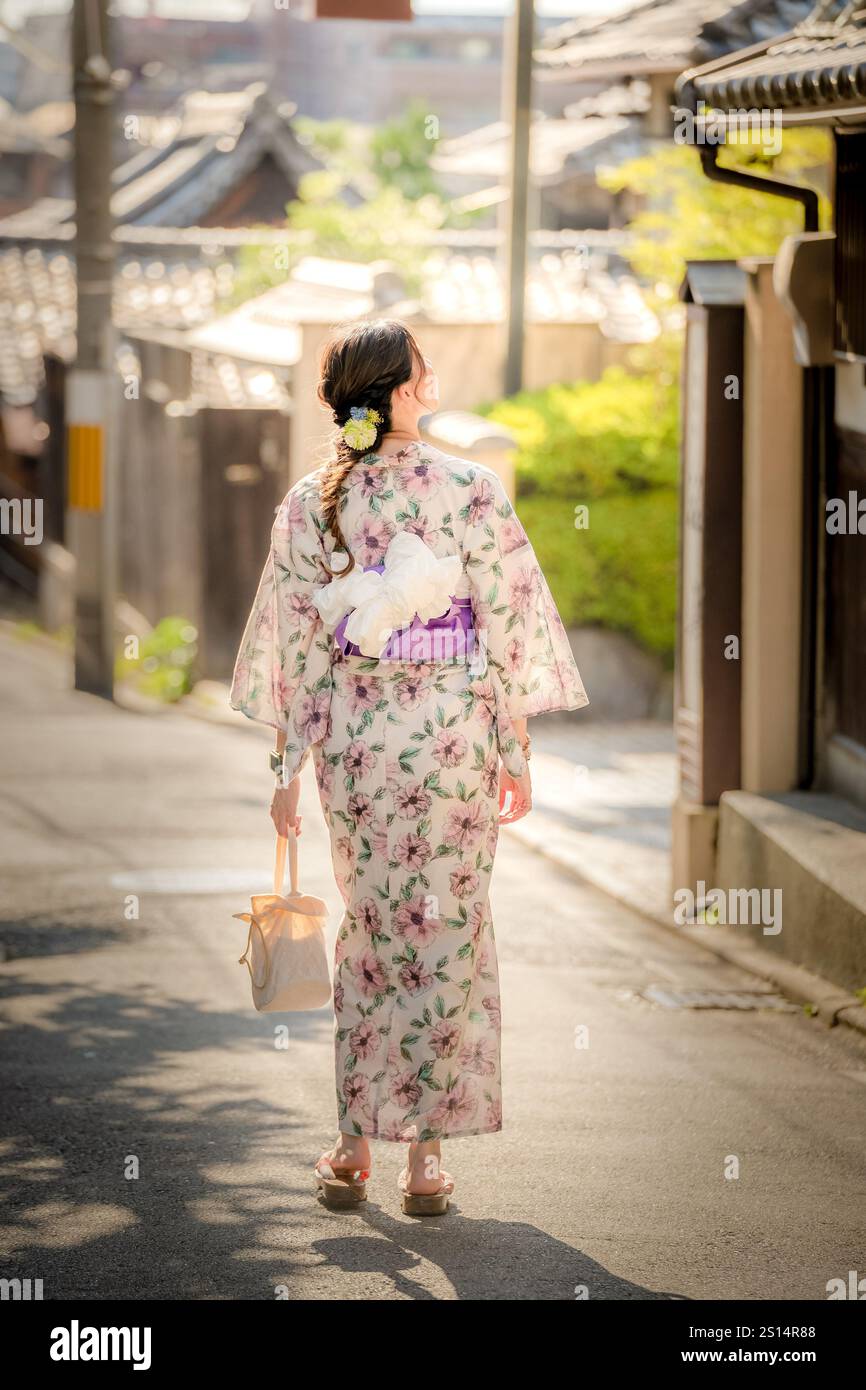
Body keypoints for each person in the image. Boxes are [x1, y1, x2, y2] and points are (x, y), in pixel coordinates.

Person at [230, 318, 588, 1216]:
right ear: (396, 390)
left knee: (371, 929)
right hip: (454, 741)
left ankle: (351, 1142)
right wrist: (516, 748)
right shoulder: (471, 489)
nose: (432, 381)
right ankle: (424, 1158)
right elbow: (507, 628)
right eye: (422, 371)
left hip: (357, 744)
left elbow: (299, 650)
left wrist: (286, 769)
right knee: (449, 931)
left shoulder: (314, 501)